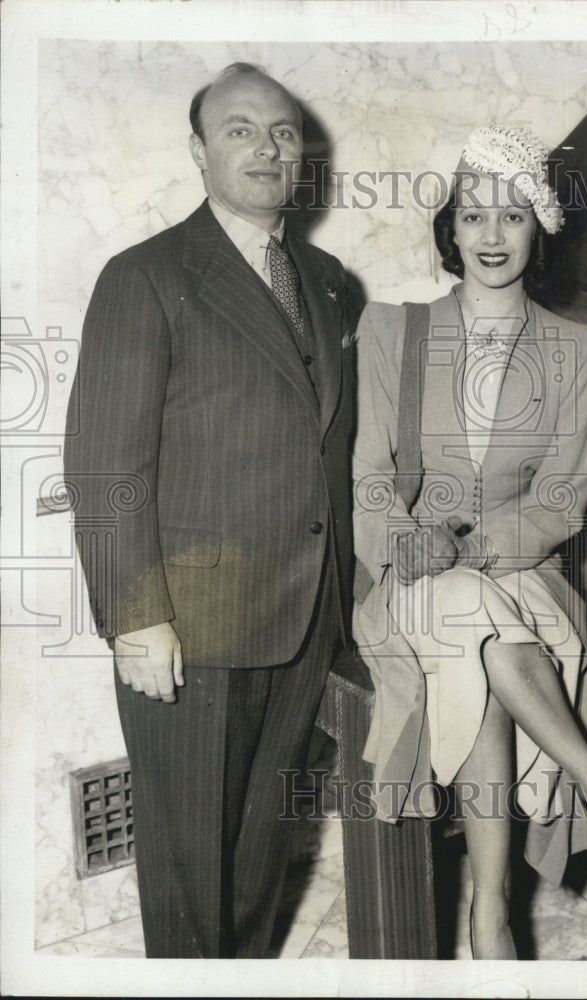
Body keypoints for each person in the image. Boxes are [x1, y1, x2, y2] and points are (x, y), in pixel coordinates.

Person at [351, 124, 587, 960]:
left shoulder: (578, 351)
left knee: (483, 626)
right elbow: (367, 477)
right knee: (474, 621)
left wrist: (469, 549)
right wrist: (407, 540)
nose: (492, 236)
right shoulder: (396, 332)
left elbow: (562, 498)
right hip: (410, 576)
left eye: (512, 217)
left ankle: (490, 909)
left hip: (522, 572)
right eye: (474, 217)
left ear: (539, 230)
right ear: (451, 230)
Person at [63, 62, 357, 958]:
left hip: (308, 614)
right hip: (190, 626)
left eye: (281, 131)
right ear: (198, 149)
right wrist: (136, 616)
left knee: (260, 856)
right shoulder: (145, 275)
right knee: (192, 872)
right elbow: (104, 465)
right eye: (239, 129)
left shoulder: (331, 279)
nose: (266, 148)